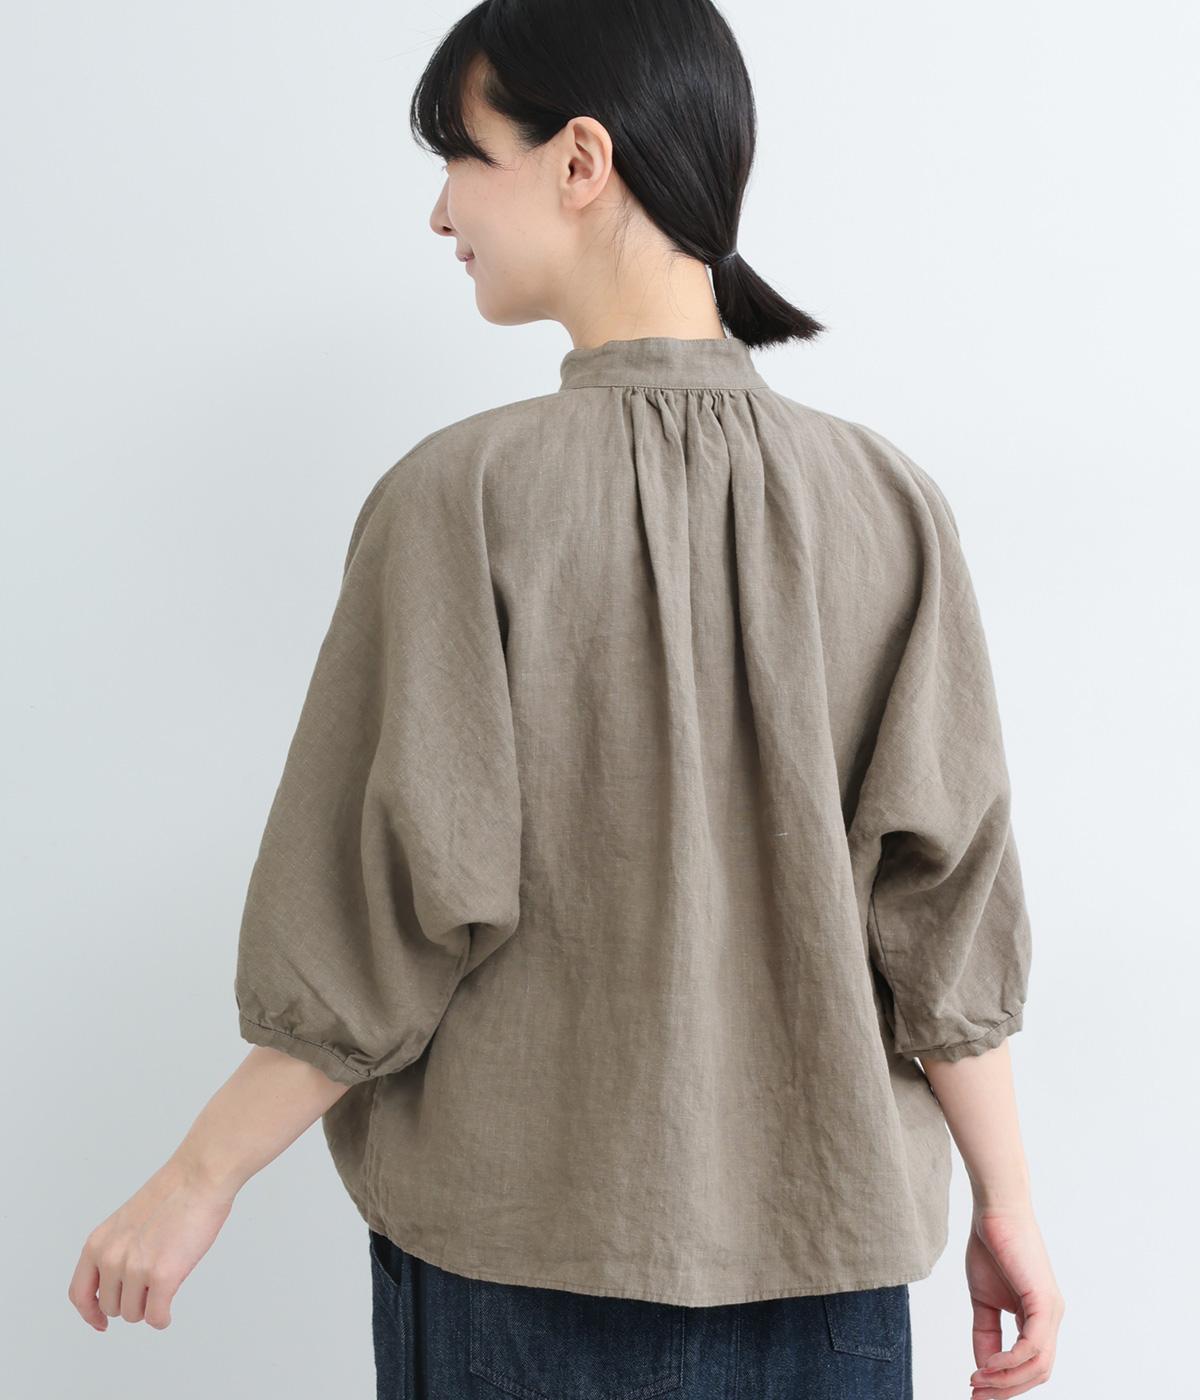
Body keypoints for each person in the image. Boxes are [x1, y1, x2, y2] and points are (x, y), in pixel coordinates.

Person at [68, 2, 1064, 1397]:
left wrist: (196, 1179)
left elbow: (387, 913)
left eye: (466, 157)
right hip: (828, 1270)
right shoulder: (888, 505)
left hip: (513, 1272)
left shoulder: (462, 498)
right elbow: (942, 912)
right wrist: (1009, 1205)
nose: (441, 211)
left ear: (581, 160)